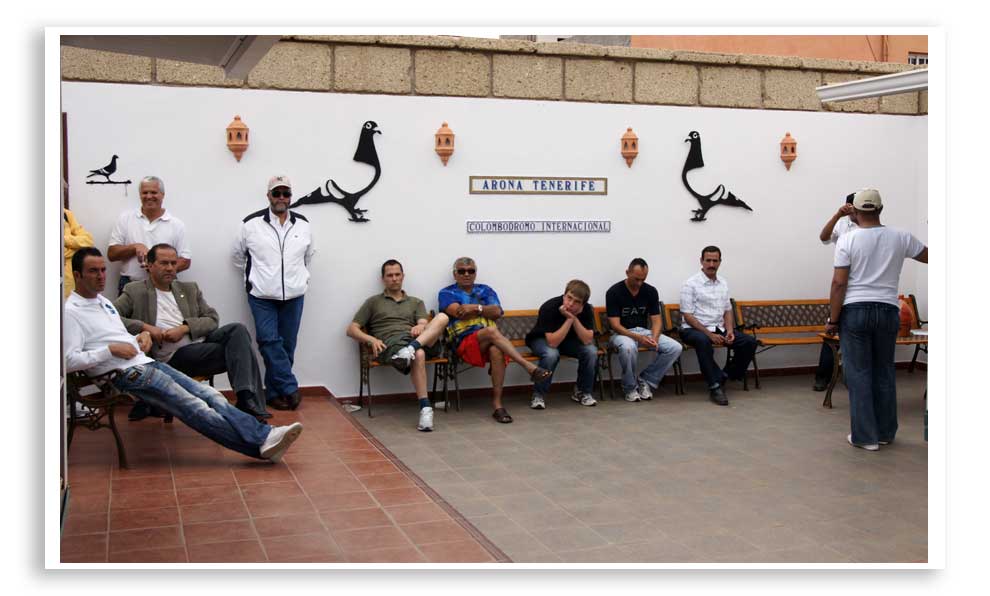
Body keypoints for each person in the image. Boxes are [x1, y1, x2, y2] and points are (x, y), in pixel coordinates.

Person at [64, 247, 303, 463]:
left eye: (103, 270)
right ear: (77, 274)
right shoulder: (71, 312)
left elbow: (210, 318)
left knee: (211, 393)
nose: (101, 276)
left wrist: (140, 338)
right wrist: (114, 348)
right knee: (195, 406)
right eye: (93, 271)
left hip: (146, 362)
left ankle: (262, 434)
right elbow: (67, 361)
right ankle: (260, 441)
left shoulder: (103, 302)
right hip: (127, 374)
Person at [114, 243, 270, 422]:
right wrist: (145, 328)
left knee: (238, 330)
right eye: (164, 263)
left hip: (200, 344)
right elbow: (111, 317)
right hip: (174, 356)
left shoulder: (189, 289)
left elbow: (212, 319)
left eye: (173, 263)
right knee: (239, 351)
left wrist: (184, 328)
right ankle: (247, 400)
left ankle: (244, 397)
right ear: (149, 265)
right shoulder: (135, 290)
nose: (170, 268)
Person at [824, 189, 927, 451]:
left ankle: (865, 437)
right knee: (884, 371)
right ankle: (885, 433)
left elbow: (839, 283)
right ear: (880, 209)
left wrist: (833, 320)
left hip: (855, 311)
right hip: (889, 310)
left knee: (859, 374)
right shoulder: (901, 236)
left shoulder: (848, 240)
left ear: (855, 212)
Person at [233, 175, 314, 411]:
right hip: (261, 295)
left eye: (285, 193)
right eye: (276, 193)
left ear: (290, 197)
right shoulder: (250, 224)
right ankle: (289, 387)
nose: (281, 198)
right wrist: (254, 279)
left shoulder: (303, 224)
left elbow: (308, 256)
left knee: (286, 346)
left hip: (294, 295)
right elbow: (238, 257)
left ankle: (273, 394)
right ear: (268, 195)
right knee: (268, 340)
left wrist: (298, 279)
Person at [438, 257, 550, 424]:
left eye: (471, 271)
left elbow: (497, 312)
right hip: (462, 343)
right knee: (491, 331)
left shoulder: (485, 290)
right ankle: (529, 367)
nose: (466, 274)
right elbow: (459, 312)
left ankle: (498, 406)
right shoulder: (447, 293)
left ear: (475, 273)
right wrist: (484, 310)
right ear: (455, 274)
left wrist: (475, 307)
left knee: (496, 350)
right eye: (461, 271)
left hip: (489, 342)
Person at [347, 260, 450, 431]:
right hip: (392, 345)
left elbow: (423, 322)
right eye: (390, 275)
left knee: (443, 317)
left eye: (397, 274)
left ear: (403, 276)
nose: (394, 278)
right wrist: (371, 339)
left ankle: (410, 349)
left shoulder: (416, 302)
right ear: (383, 279)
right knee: (419, 354)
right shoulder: (373, 302)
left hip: (418, 340)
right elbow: (351, 329)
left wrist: (421, 326)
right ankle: (425, 409)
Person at [679, 246, 758, 406]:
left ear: (720, 262)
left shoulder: (723, 283)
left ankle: (726, 375)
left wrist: (729, 331)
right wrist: (709, 335)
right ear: (701, 261)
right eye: (708, 260)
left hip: (718, 328)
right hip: (692, 329)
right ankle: (715, 386)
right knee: (703, 341)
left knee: (749, 342)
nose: (711, 264)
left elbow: (727, 310)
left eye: (715, 261)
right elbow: (687, 315)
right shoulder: (690, 284)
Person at [605, 258, 683, 402]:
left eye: (643, 279)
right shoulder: (614, 292)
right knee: (628, 347)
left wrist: (654, 338)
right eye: (636, 279)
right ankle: (629, 388)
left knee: (675, 347)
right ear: (627, 272)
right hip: (621, 333)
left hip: (643, 331)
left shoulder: (650, 291)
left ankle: (646, 380)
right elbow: (615, 325)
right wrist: (638, 338)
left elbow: (656, 320)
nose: (639, 283)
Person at [108, 176, 191, 295]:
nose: (148, 196)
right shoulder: (125, 219)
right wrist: (135, 247)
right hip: (130, 285)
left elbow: (186, 261)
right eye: (145, 193)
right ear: (140, 195)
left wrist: (159, 270)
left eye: (153, 192)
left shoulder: (176, 225)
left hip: (164, 286)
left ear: (162, 194)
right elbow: (112, 254)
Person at [526, 279, 600, 409]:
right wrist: (569, 319)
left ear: (583, 304)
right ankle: (538, 395)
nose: (570, 304)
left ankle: (582, 392)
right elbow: (553, 343)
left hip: (568, 341)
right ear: (564, 295)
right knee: (551, 354)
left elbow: (587, 340)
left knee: (591, 351)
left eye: (577, 302)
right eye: (569, 298)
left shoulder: (587, 309)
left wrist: (573, 318)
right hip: (541, 339)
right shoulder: (550, 306)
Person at [813, 193, 859, 391]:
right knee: (831, 333)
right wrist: (838, 215)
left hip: (861, 289)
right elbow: (823, 237)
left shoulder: (870, 227)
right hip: (843, 287)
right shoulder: (842, 224)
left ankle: (853, 378)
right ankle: (822, 377)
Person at [63, 207, 94, 297]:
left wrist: (64, 240)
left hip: (69, 285)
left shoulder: (66, 214)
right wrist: (74, 248)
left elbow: (88, 240)